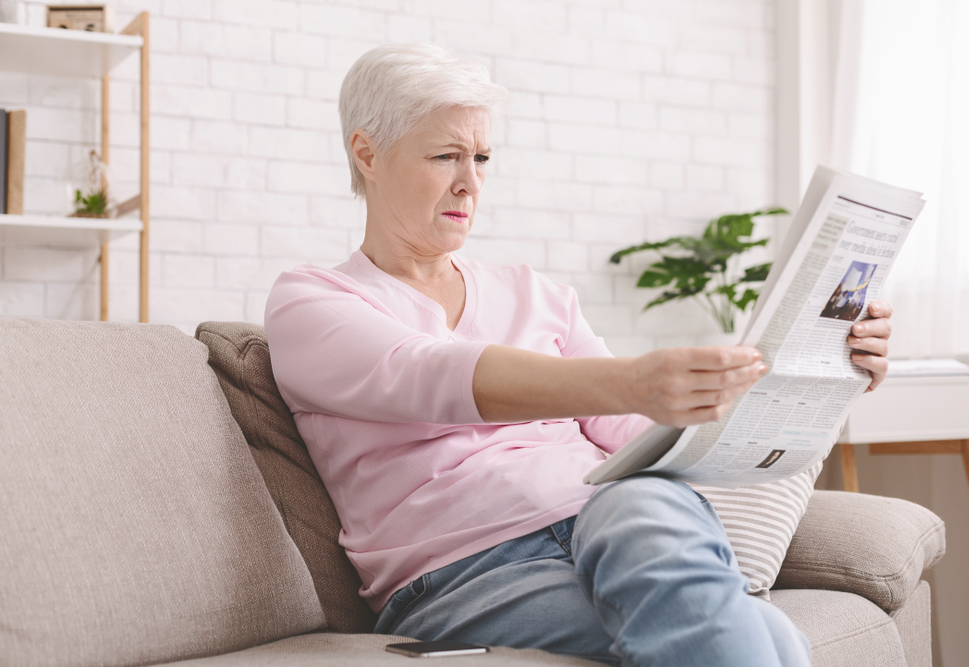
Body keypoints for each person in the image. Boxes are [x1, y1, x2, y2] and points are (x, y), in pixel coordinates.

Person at [264, 43, 894, 667]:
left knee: (643, 501)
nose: (471, 181)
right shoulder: (312, 302)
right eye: (446, 155)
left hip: (616, 524)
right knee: (766, 637)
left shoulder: (536, 293)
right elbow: (429, 372)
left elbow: (641, 435)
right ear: (367, 152)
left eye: (481, 156)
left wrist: (824, 367)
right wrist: (630, 381)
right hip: (468, 575)